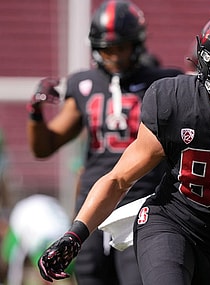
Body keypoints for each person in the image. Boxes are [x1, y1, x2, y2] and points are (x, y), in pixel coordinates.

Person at [36, 9, 210, 285]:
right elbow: (119, 179)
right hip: (170, 223)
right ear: (208, 64)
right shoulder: (174, 101)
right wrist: (75, 234)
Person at [26, 1, 182, 284]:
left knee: (137, 277)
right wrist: (35, 113)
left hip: (143, 201)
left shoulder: (164, 82)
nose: (113, 56)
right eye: (106, 49)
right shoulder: (85, 84)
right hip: (92, 204)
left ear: (136, 43)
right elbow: (44, 147)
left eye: (120, 47)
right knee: (91, 276)